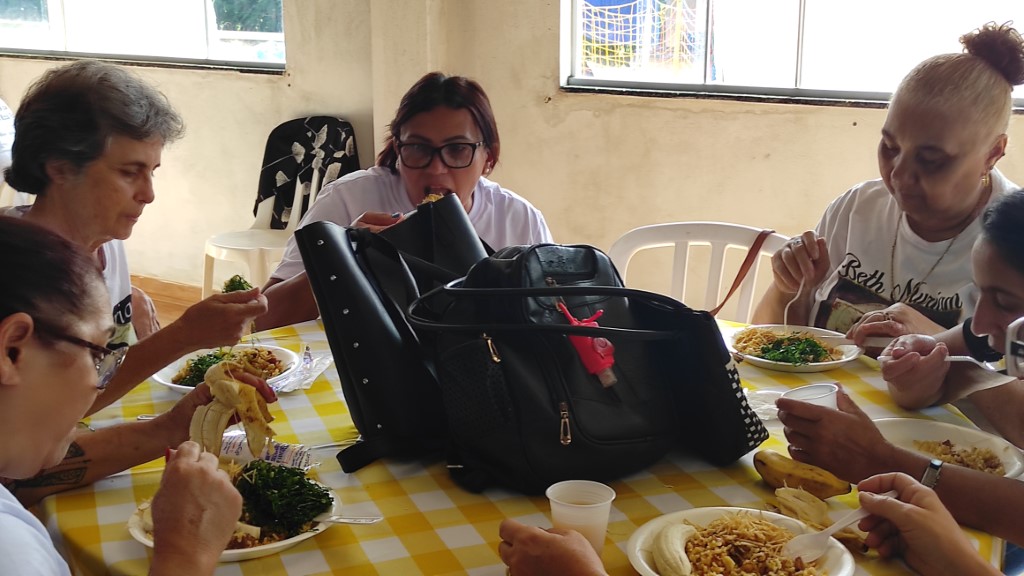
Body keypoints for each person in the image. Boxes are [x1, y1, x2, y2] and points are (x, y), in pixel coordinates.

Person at [2, 60, 268, 413]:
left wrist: (132, 300)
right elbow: (49, 415)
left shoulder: (106, 240)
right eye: (130, 173)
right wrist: (184, 335)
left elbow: (103, 369)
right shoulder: (21, 275)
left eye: (152, 171)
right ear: (60, 168)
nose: (148, 194)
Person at [0, 216, 247, 575]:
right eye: (99, 355)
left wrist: (171, 429)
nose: (99, 384)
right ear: (12, 350)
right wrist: (184, 553)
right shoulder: (12, 551)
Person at [752, 22, 1024, 344]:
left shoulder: (1010, 236)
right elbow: (764, 341)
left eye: (930, 160)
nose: (898, 175)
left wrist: (936, 340)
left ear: (993, 153)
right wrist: (789, 289)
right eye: (890, 148)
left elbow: (1011, 372)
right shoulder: (856, 209)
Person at [256, 72, 552, 330]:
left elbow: (556, 320)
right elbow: (264, 320)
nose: (436, 168)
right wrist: (344, 257)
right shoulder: (348, 199)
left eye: (458, 149)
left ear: (489, 157)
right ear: (398, 149)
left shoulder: (518, 221)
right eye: (418, 148)